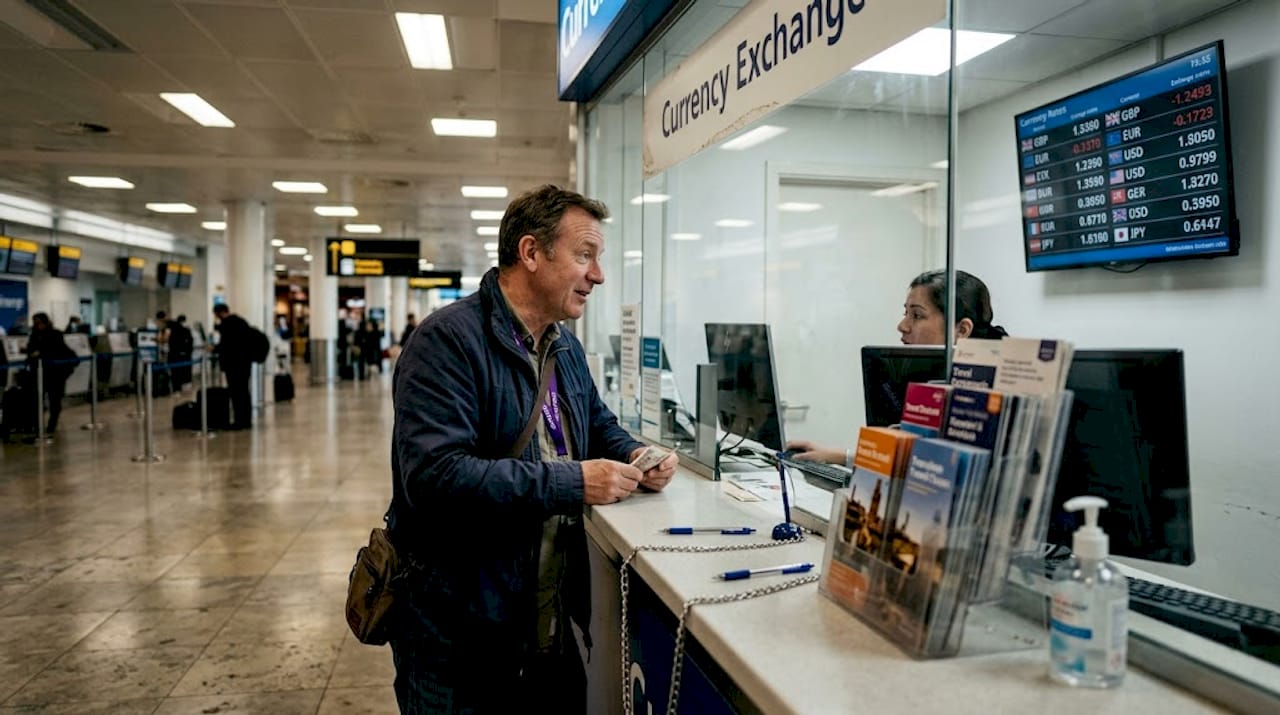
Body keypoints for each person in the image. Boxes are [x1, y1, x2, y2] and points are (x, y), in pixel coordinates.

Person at [387, 184, 678, 713]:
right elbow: (433, 477)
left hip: (546, 632)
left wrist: (636, 454)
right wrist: (575, 481)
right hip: (459, 642)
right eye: (584, 255)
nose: (598, 275)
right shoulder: (446, 343)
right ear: (530, 253)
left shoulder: (562, 344)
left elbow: (596, 423)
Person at [787, 269, 1006, 465]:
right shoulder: (909, 374)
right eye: (906, 313)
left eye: (917, 315)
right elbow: (908, 457)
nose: (902, 326)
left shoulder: (993, 395)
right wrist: (839, 457)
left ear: (962, 329)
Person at [23, 312, 75, 435]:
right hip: (39, 373)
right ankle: (36, 426)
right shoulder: (34, 335)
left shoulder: (55, 334)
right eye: (35, 322)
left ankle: (52, 425)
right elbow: (31, 349)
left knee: (54, 401)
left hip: (55, 374)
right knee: (36, 400)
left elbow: (57, 350)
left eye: (39, 322)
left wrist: (40, 353)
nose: (37, 325)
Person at [211, 304, 253, 430]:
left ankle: (239, 421)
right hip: (245, 363)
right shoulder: (241, 321)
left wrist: (214, 349)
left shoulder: (227, 324)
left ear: (220, 313)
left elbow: (227, 345)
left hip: (234, 365)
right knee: (244, 392)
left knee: (236, 392)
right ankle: (246, 420)